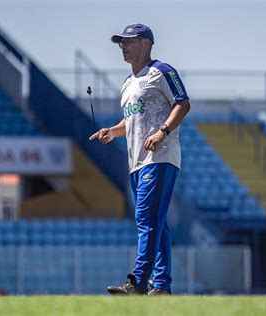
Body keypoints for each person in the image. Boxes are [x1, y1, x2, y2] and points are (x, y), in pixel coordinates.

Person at [89, 23, 190, 295]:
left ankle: (138, 282)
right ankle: (163, 286)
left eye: (129, 41)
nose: (123, 46)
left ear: (146, 43)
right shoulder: (127, 84)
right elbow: (132, 119)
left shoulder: (162, 72)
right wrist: (112, 131)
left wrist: (163, 131)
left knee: (146, 220)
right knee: (158, 224)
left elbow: (183, 102)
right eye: (121, 42)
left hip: (159, 157)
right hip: (136, 163)